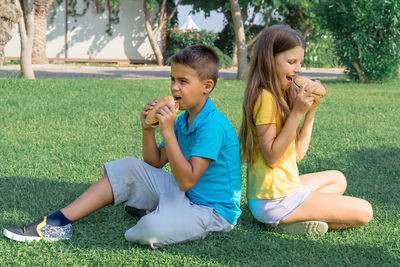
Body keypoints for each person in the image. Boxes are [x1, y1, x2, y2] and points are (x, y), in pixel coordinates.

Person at [3, 45, 242, 248]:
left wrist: (167, 132)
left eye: (183, 81)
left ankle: (156, 214)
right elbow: (155, 162)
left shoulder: (212, 125)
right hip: (186, 195)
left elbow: (187, 180)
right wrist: (148, 129)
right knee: (128, 166)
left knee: (148, 230)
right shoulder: (183, 119)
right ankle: (58, 222)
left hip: (213, 212)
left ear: (207, 86)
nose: (174, 88)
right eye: (172, 79)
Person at [238, 24, 373, 235]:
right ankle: (281, 220)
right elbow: (272, 157)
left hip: (284, 188)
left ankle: (292, 222)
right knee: (365, 211)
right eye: (291, 62)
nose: (298, 69)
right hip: (274, 200)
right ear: (269, 61)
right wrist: (296, 114)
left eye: (300, 62)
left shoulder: (281, 95)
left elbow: (298, 154)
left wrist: (310, 112)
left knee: (338, 179)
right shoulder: (265, 98)